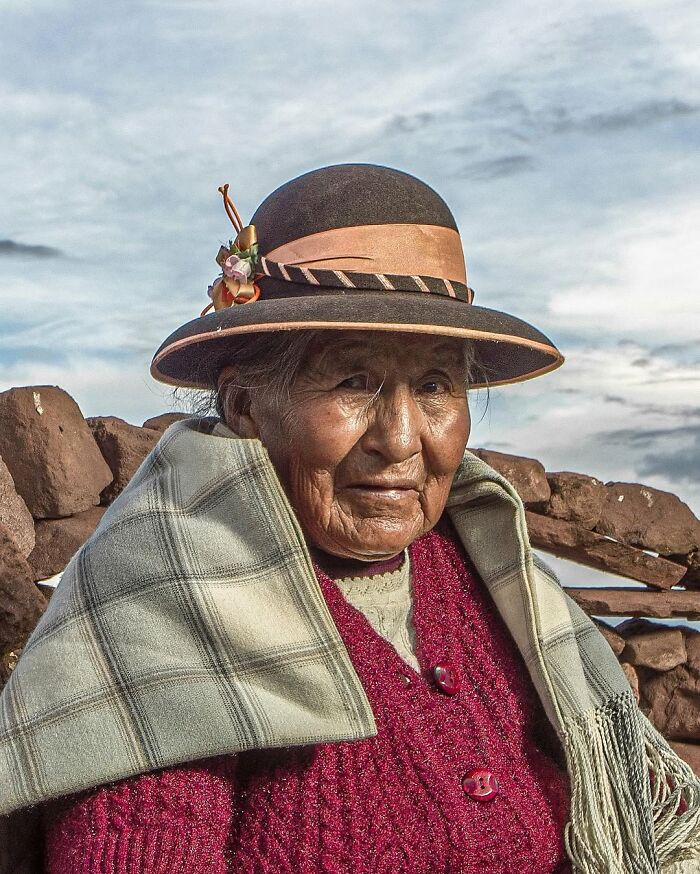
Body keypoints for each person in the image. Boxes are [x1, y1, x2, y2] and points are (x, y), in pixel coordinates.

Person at [0, 164, 698, 874]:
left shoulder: (493, 578)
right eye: (354, 381)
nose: (400, 439)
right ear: (244, 405)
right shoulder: (163, 617)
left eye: (434, 386)